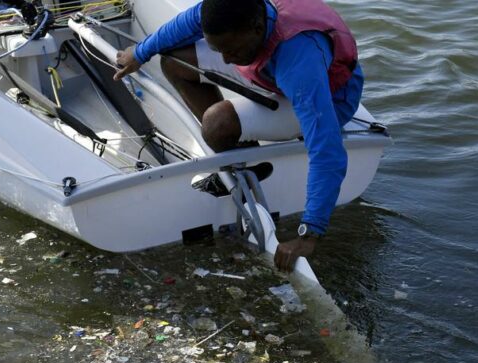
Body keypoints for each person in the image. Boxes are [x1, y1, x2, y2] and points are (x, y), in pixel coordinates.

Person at [113, 0, 363, 272]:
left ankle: (239, 154)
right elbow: (188, 22)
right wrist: (139, 53)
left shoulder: (298, 60)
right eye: (218, 49)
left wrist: (309, 232)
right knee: (174, 61)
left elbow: (327, 150)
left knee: (216, 125)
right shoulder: (233, 14)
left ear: (256, 28)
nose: (225, 60)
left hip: (325, 96)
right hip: (268, 68)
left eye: (230, 50)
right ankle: (248, 159)